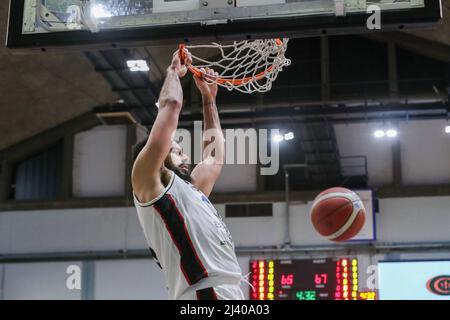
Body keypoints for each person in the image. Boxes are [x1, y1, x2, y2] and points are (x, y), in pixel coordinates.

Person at [131, 49, 246, 300]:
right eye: (177, 151)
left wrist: (209, 99)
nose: (185, 157)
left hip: (228, 291)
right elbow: (171, 105)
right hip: (202, 294)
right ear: (158, 155)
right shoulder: (149, 181)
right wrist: (173, 70)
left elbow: (214, 157)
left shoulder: (191, 192)